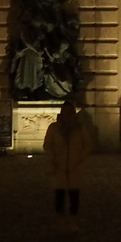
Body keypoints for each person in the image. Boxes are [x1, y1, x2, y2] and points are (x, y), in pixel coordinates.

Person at [43, 100, 94, 233]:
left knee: (74, 196)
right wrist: (53, 156)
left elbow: (87, 144)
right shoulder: (53, 127)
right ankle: (60, 222)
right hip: (58, 165)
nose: (67, 114)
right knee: (59, 195)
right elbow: (47, 145)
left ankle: (73, 222)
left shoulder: (79, 128)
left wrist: (80, 157)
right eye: (65, 111)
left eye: (69, 112)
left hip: (75, 166)